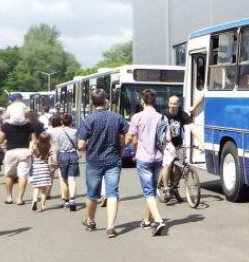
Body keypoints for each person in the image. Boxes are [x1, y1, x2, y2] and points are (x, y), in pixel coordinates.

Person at [76, 88, 129, 238]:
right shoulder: (117, 117)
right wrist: (121, 148)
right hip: (113, 160)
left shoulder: (89, 120)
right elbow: (125, 135)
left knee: (92, 194)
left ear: (92, 103)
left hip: (94, 161)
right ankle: (110, 226)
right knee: (112, 193)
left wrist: (90, 145)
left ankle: (91, 220)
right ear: (105, 100)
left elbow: (80, 145)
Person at [127, 89, 168, 236]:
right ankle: (146, 220)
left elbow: (130, 137)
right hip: (158, 158)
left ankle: (158, 220)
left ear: (142, 101)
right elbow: (168, 138)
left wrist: (124, 144)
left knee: (148, 192)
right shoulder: (163, 118)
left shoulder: (137, 117)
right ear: (155, 101)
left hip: (143, 158)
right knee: (151, 189)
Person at [159, 95, 204, 203]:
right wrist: (167, 143)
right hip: (166, 145)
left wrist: (201, 142)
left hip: (178, 144)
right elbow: (160, 131)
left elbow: (192, 127)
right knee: (167, 165)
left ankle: (174, 188)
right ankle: (166, 189)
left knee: (179, 167)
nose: (172, 106)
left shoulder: (183, 114)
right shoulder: (164, 115)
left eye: (175, 104)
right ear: (168, 103)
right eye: (170, 103)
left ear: (179, 104)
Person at [0, 104, 35, 205]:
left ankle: (9, 197)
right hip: (25, 151)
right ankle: (20, 199)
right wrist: (31, 149)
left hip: (11, 151)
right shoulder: (29, 125)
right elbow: (33, 139)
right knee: (23, 175)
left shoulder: (6, 125)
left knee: (9, 175)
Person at [49, 114, 79, 211]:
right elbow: (79, 144)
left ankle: (66, 201)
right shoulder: (75, 132)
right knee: (72, 179)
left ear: (62, 122)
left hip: (63, 155)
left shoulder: (59, 133)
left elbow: (57, 147)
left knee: (64, 179)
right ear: (71, 122)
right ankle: (72, 199)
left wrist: (55, 159)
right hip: (73, 155)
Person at [28, 134, 53, 212]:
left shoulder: (35, 147)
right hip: (44, 169)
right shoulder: (48, 148)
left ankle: (35, 199)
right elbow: (50, 158)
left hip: (36, 169)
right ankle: (43, 205)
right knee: (44, 189)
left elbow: (30, 155)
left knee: (36, 187)